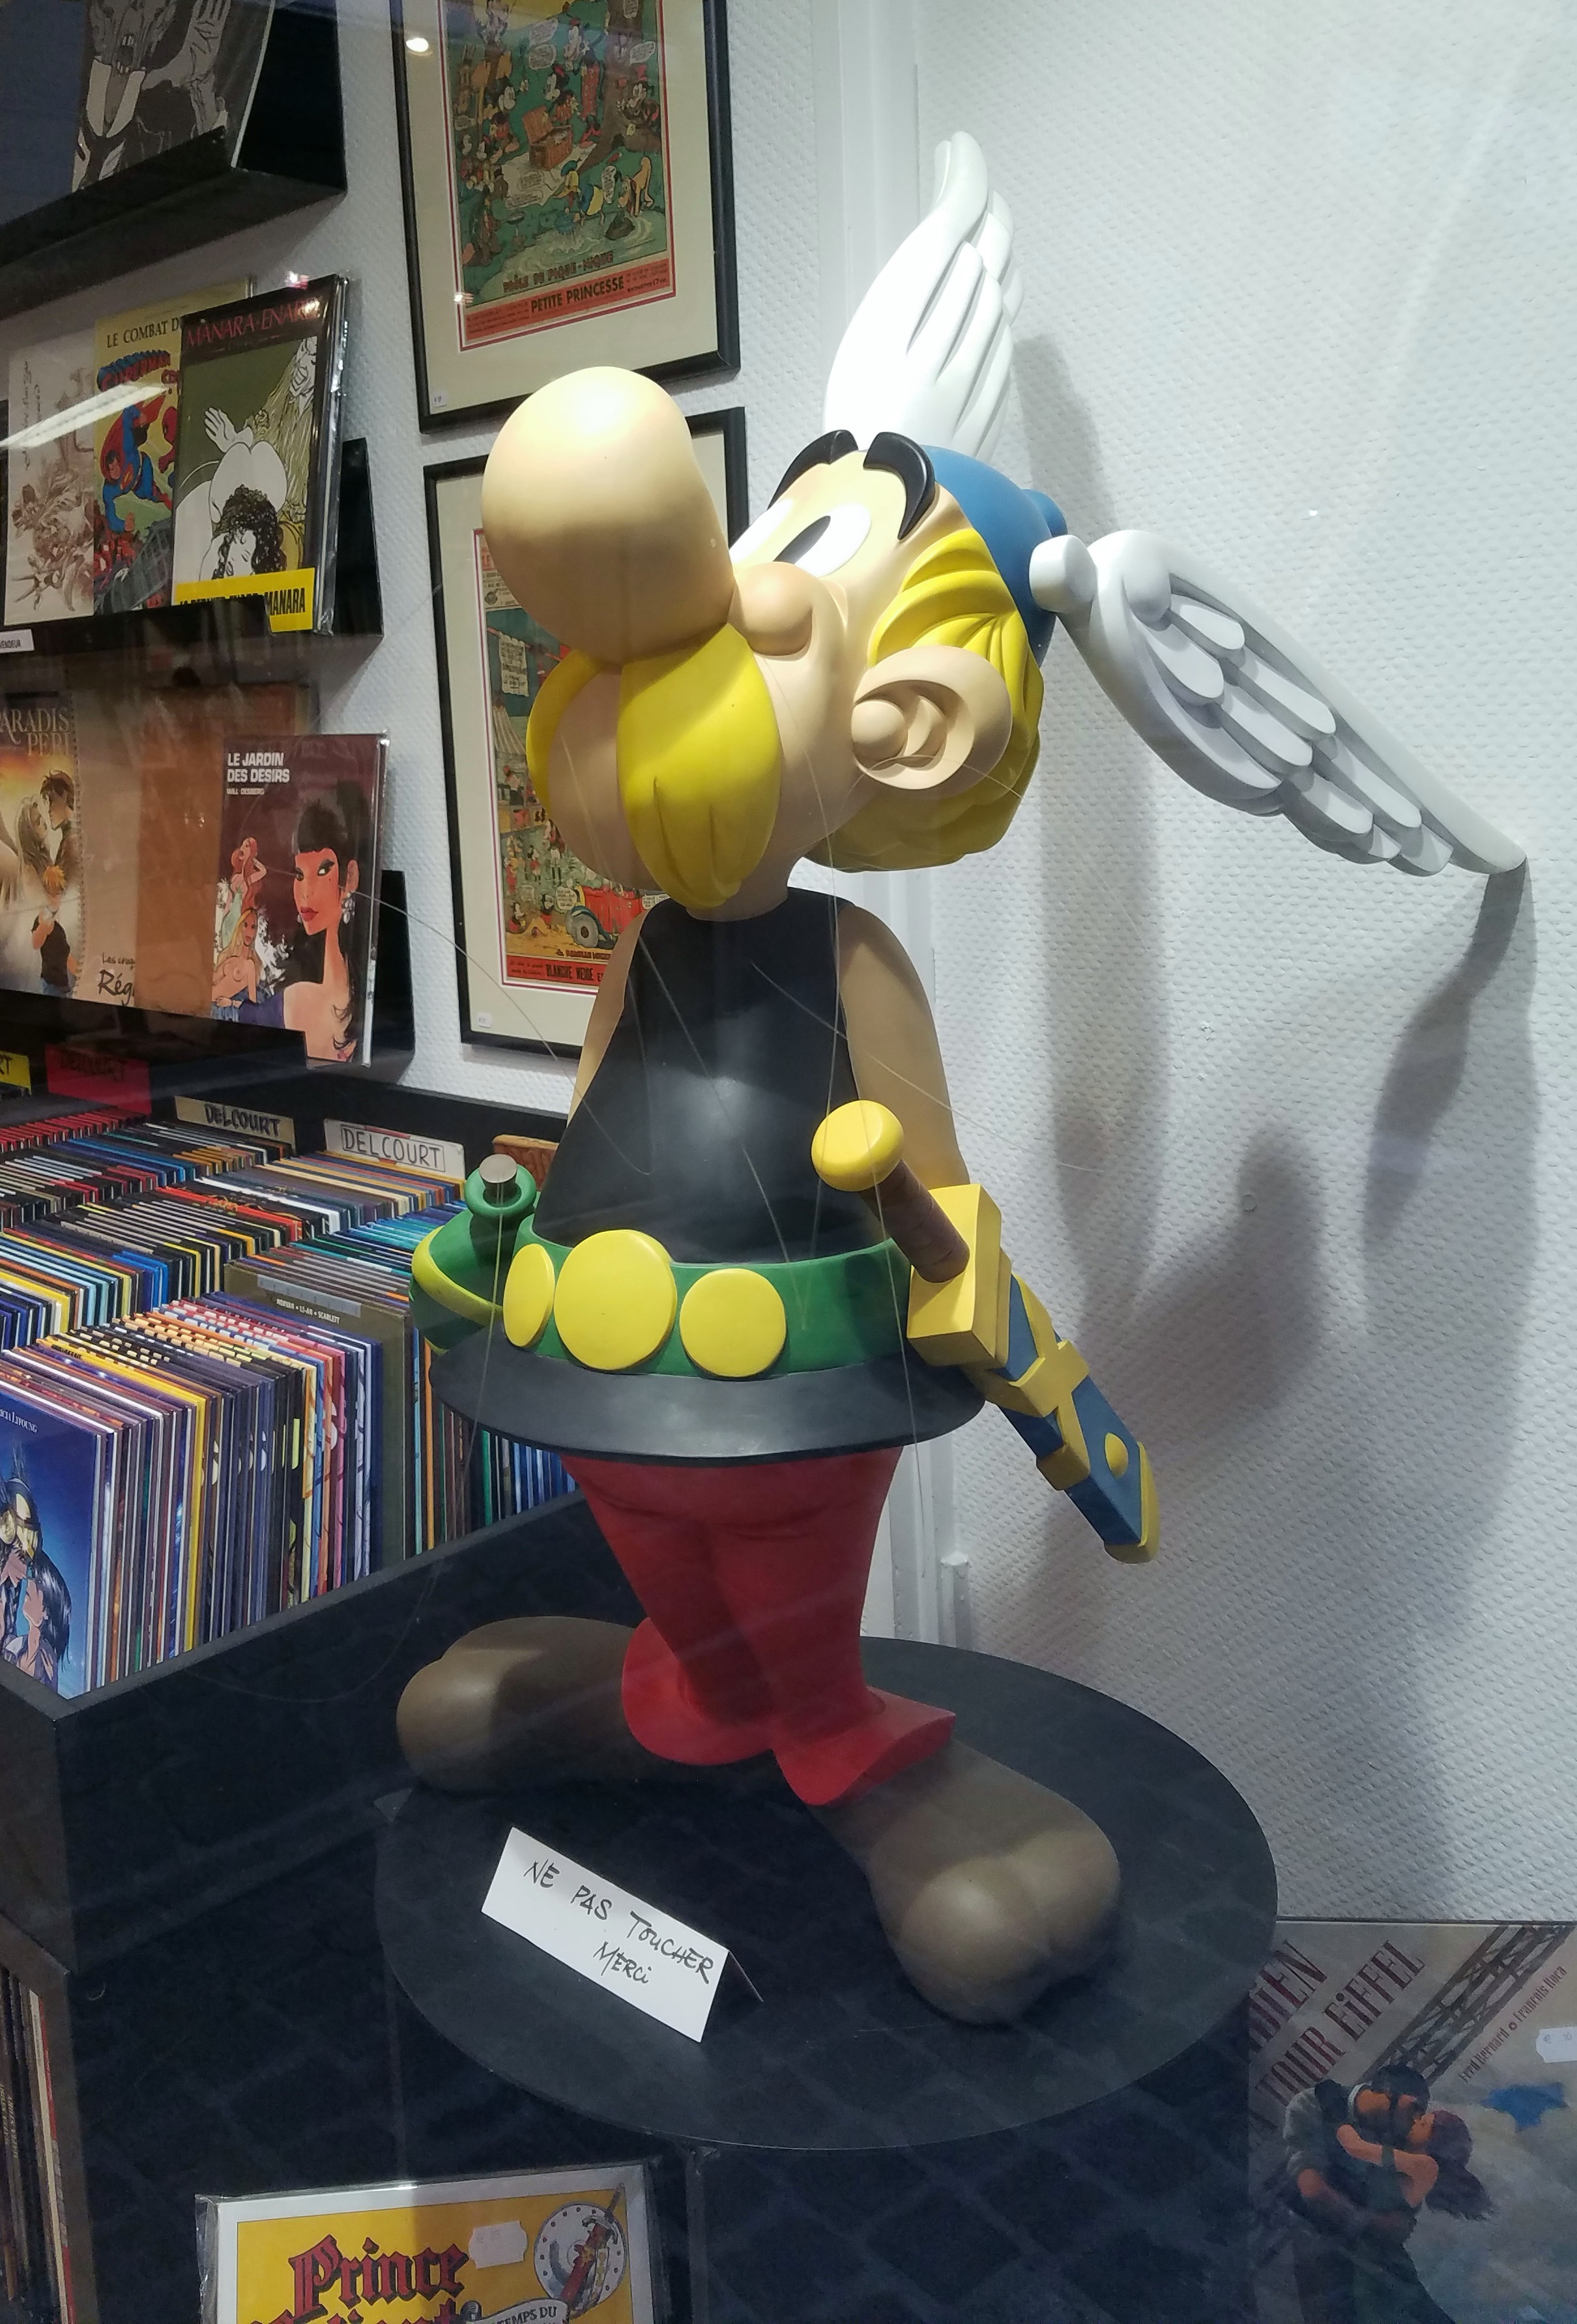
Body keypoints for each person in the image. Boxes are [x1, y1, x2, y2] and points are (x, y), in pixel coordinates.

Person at [1284, 2063, 1489, 2323]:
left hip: (1376, 2261)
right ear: (1390, 2091)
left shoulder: (1423, 2166)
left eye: (1424, 2121)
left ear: (1435, 2141)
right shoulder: (1403, 2152)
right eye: (1417, 2112)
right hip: (1363, 2261)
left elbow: (1354, 2147)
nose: (1416, 2119)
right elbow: (1315, 2189)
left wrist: (1334, 2111)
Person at [281, 787, 368, 1063]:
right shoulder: (296, 999)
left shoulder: (365, 993)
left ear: (350, 876)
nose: (306, 893)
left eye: (322, 871)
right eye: (299, 874)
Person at [9, 1551, 70, 1691]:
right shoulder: (19, 1644)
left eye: (39, 1582)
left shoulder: (46, 1658)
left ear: (46, 1612)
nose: (31, 1584)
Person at [32, 863, 78, 996]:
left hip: (62, 986)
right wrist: (45, 923)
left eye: (57, 894)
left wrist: (82, 973)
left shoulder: (58, 925)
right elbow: (36, 943)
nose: (54, 898)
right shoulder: (44, 919)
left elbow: (65, 957)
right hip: (51, 985)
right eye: (49, 893)